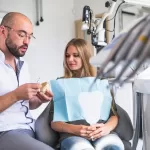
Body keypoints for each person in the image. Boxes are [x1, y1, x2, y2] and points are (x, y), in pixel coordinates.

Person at [50, 38, 124, 150]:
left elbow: (114, 115)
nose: (70, 59)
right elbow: (54, 122)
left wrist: (106, 128)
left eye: (76, 55)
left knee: (113, 147)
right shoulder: (61, 84)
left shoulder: (101, 82)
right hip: (73, 136)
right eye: (67, 55)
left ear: (85, 57)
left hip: (102, 133)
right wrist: (75, 129)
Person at [0, 12, 54, 150]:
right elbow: (16, 97)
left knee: (71, 141)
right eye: (22, 34)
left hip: (30, 126)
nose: (27, 42)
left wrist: (39, 100)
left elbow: (25, 105)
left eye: (30, 36)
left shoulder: (22, 64)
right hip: (6, 131)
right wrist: (16, 95)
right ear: (3, 31)